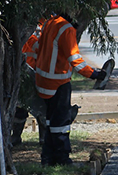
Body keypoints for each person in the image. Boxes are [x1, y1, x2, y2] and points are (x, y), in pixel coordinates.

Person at [34, 13, 106, 166]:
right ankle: (62, 159)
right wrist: (94, 74)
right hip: (57, 82)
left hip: (43, 81)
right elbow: (75, 61)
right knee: (60, 123)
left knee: (51, 121)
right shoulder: (66, 29)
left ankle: (47, 159)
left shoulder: (50, 22)